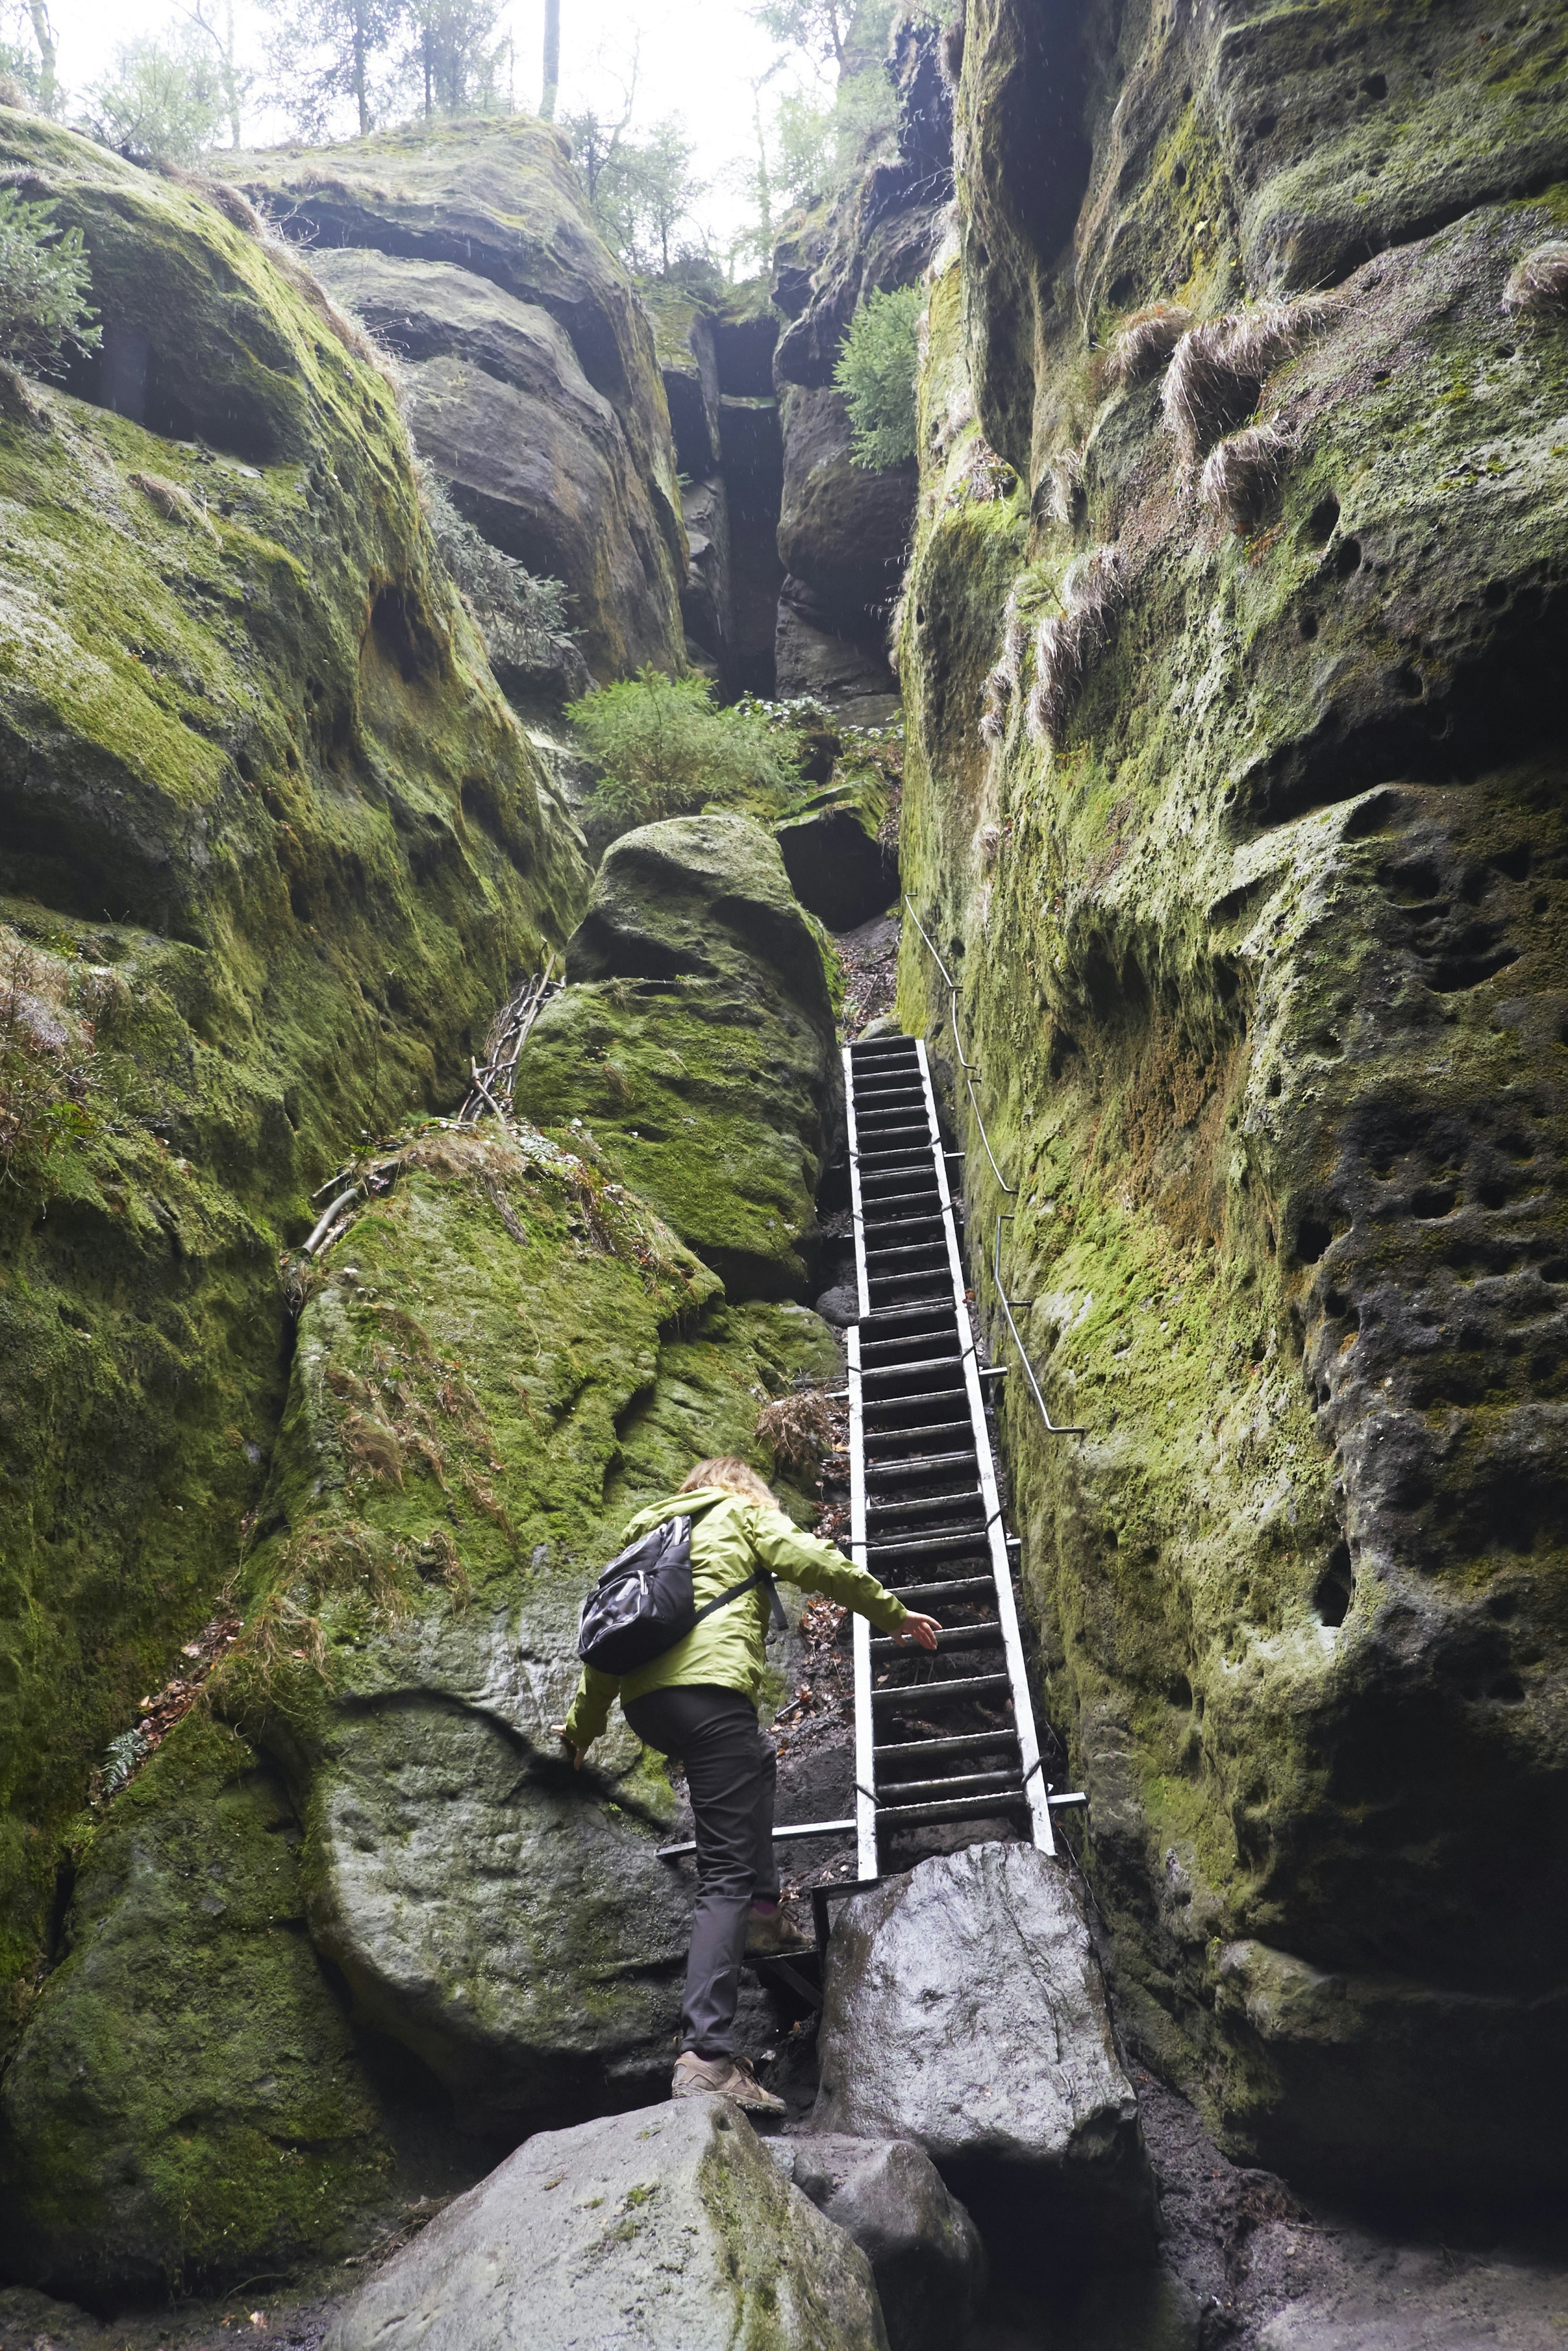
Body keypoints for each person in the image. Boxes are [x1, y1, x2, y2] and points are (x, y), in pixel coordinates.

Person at [553, 1454, 939, 2115]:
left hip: (652, 1708)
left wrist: (579, 1732)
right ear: (746, 1489)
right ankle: (706, 2056)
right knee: (723, 1873)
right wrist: (891, 1613)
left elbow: (608, 1649)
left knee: (757, 1758)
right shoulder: (742, 1514)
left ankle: (763, 1918)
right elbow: (816, 1562)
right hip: (710, 1699)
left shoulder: (650, 1538)